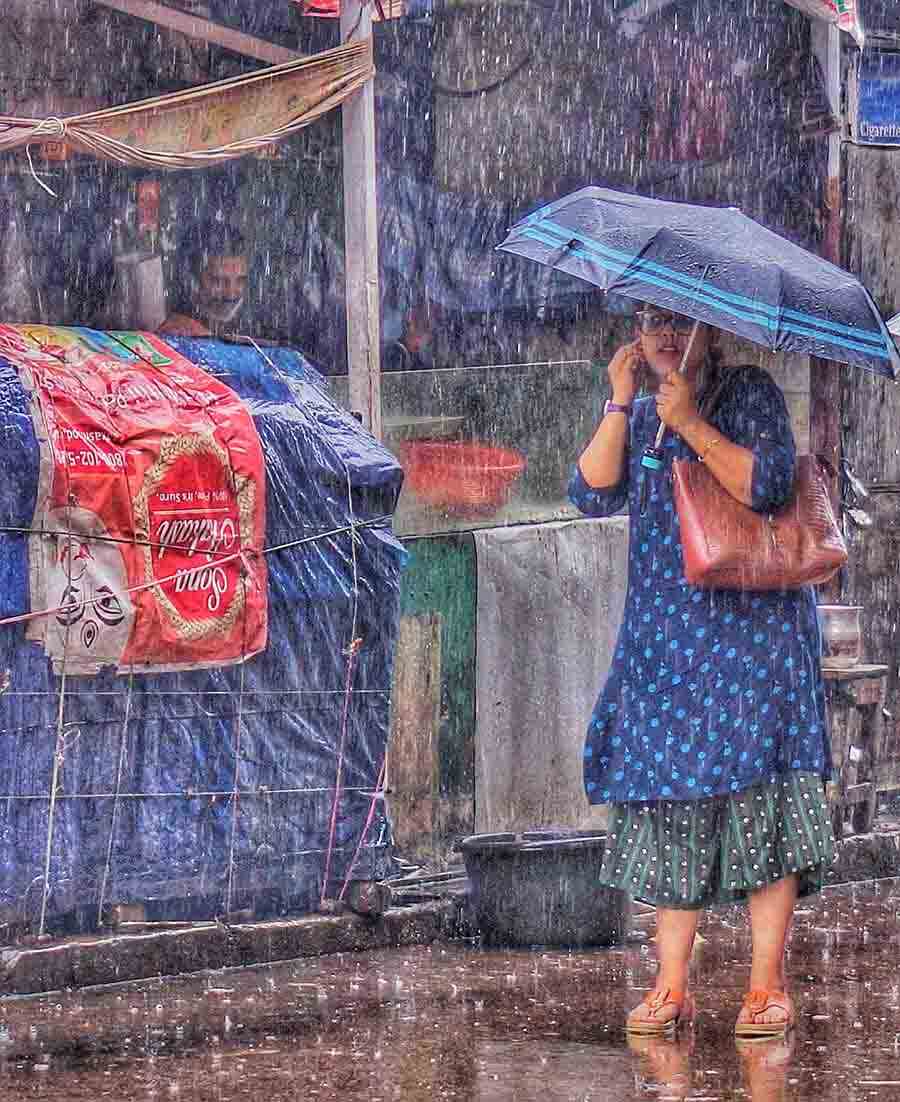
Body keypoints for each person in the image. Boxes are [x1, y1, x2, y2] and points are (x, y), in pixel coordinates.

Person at [569, 306, 834, 1038]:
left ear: (710, 329)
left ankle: (764, 988)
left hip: (751, 637)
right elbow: (590, 489)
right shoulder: (645, 407)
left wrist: (688, 420)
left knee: (763, 807)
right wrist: (621, 401)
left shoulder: (747, 391)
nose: (662, 334)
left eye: (678, 321)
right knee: (667, 805)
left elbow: (769, 485)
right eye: (649, 320)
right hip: (666, 642)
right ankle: (671, 986)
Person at [159, 224, 249, 338]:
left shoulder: (254, 331)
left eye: (240, 281)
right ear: (191, 280)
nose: (231, 294)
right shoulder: (176, 335)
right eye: (219, 281)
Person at [381, 299, 441, 372]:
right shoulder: (394, 355)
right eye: (427, 326)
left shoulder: (420, 362)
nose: (431, 336)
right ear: (411, 321)